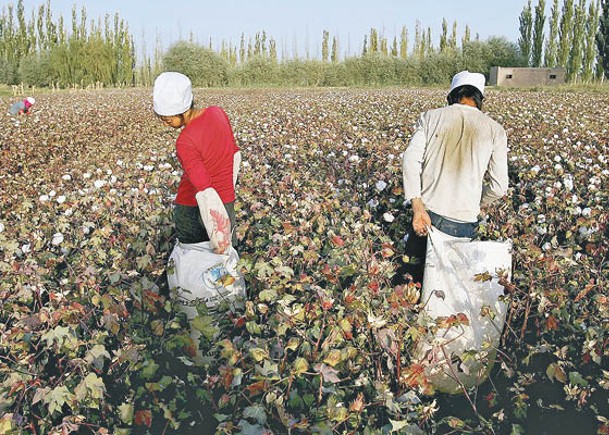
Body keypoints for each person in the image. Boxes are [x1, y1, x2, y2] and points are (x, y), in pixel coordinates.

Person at [401, 70, 508, 284]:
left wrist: (417, 206)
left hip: (427, 216)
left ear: (451, 95)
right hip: (464, 222)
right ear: (479, 98)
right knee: (449, 287)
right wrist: (476, 200)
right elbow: (499, 187)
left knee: (410, 281)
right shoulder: (495, 130)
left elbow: (410, 160)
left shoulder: (431, 117)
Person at [153, 72, 241, 254]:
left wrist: (218, 231)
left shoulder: (185, 141)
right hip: (226, 201)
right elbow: (235, 155)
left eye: (167, 119)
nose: (165, 124)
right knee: (225, 263)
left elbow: (204, 189)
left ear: (182, 111)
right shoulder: (217, 112)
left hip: (194, 208)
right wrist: (228, 190)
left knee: (194, 259)